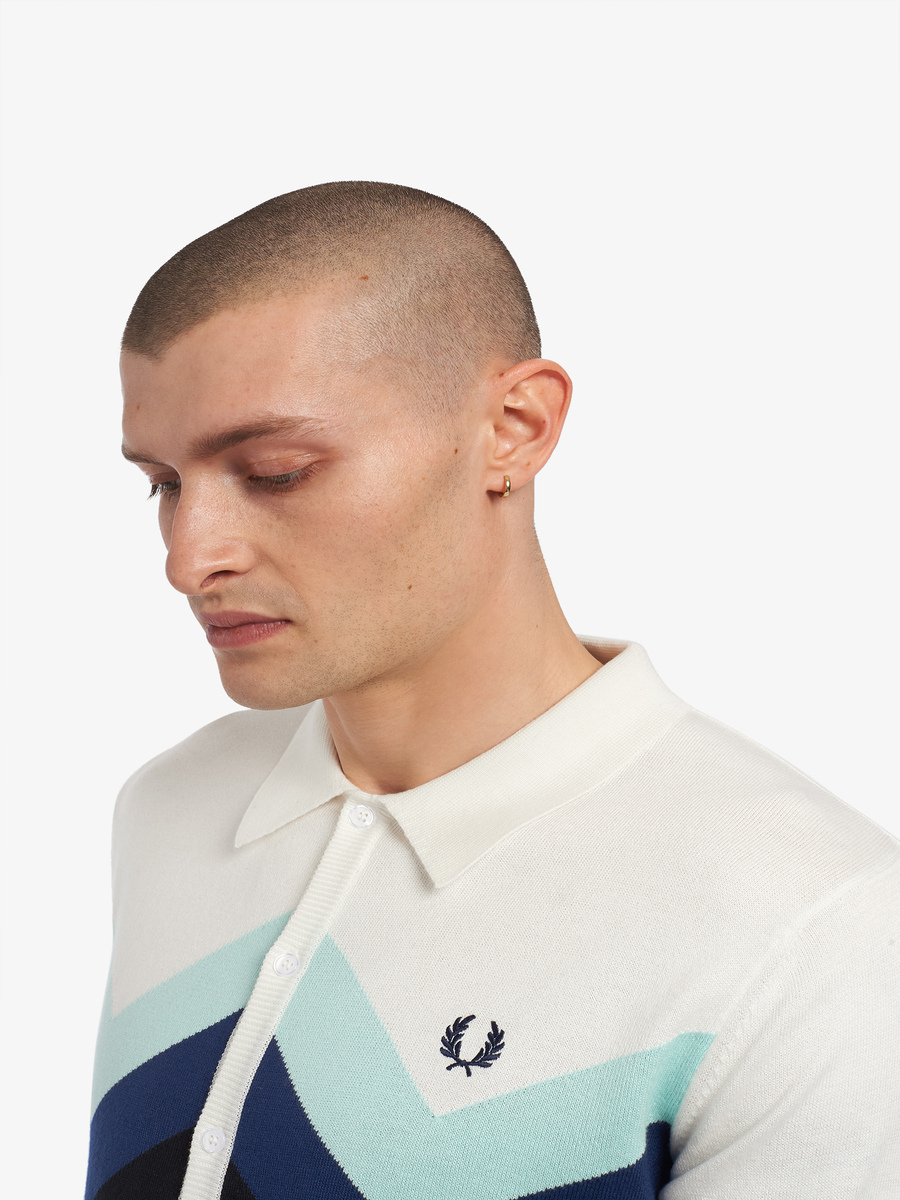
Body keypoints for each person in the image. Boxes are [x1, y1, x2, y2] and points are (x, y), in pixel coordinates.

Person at [86, 182, 898, 1200]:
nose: (187, 558)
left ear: (515, 427)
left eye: (276, 471)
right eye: (163, 484)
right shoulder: (170, 805)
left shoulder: (816, 927)